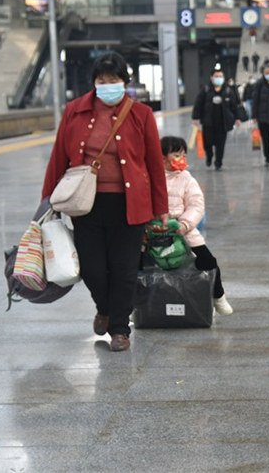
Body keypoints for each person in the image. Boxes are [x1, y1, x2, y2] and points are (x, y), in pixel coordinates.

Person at [41, 51, 169, 352]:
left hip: (130, 204)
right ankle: (105, 307)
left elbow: (154, 163)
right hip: (86, 204)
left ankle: (120, 330)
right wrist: (46, 201)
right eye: (102, 80)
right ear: (94, 83)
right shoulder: (75, 111)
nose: (108, 85)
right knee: (91, 268)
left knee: (124, 269)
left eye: (114, 80)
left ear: (125, 82)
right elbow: (58, 157)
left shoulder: (141, 115)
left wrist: (161, 207)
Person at [160, 136, 233, 316]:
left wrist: (184, 224)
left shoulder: (186, 178)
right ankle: (135, 304)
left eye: (183, 155)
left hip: (183, 230)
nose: (181, 159)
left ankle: (218, 296)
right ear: (161, 156)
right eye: (176, 154)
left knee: (209, 262)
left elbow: (196, 205)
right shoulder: (150, 176)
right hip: (155, 233)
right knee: (136, 265)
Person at [191, 66, 243, 170]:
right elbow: (198, 104)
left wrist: (238, 117)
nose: (218, 78)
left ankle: (218, 162)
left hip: (222, 123)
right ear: (211, 78)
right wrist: (195, 118)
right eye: (216, 76)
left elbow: (234, 105)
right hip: (208, 122)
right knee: (208, 143)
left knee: (220, 144)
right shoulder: (205, 90)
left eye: (220, 76)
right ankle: (209, 156)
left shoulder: (228, 91)